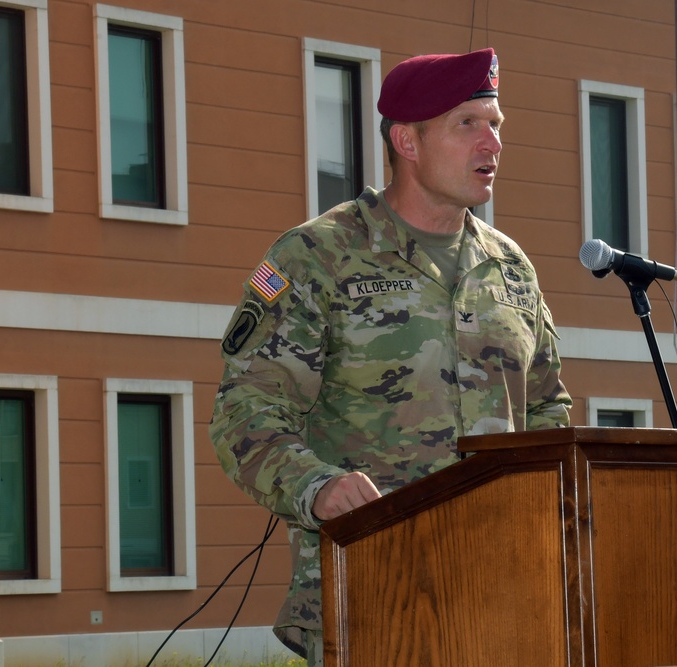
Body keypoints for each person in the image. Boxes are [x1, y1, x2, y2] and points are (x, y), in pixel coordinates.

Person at [209, 48, 572, 666]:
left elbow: (547, 410)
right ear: (407, 139)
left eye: (497, 124)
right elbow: (245, 413)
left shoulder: (511, 267)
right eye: (469, 124)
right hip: (374, 591)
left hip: (506, 597)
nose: (493, 142)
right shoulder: (316, 256)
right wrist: (317, 486)